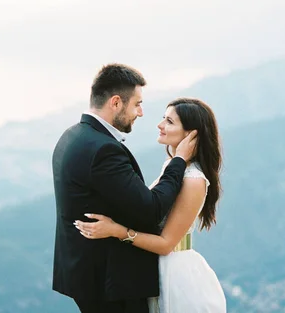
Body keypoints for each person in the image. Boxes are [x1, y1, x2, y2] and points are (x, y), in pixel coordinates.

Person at [52, 63, 198, 313]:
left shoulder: (71, 136)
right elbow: (152, 209)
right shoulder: (103, 150)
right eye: (137, 104)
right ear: (116, 102)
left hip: (83, 274)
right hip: (112, 284)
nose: (141, 113)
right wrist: (179, 161)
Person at [75, 97, 226, 313]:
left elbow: (166, 244)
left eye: (169, 122)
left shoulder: (193, 180)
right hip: (155, 269)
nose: (160, 125)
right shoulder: (173, 167)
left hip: (175, 276)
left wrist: (115, 230)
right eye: (163, 119)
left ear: (191, 134)